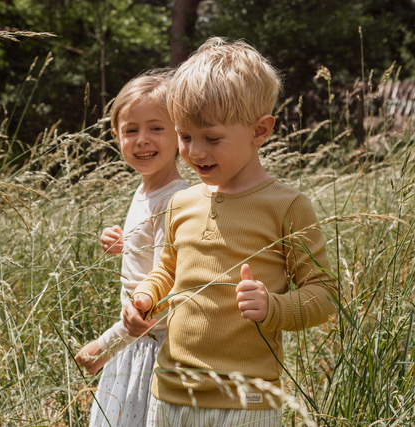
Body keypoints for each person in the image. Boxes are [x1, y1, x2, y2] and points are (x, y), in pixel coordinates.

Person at [122, 37, 338, 426]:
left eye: (212, 138)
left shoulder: (286, 206)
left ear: (260, 131)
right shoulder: (181, 203)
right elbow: (166, 271)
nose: (195, 152)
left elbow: (323, 295)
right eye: (185, 137)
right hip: (170, 391)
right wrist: (144, 295)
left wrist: (275, 307)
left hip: (247, 401)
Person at [75, 71, 189, 427]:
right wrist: (126, 245)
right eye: (130, 130)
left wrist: (103, 348)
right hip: (135, 344)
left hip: (151, 348)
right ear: (116, 136)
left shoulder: (175, 200)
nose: (142, 140)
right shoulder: (146, 191)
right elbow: (151, 256)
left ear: (180, 132)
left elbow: (161, 298)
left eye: (156, 128)